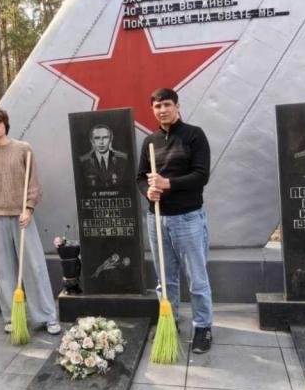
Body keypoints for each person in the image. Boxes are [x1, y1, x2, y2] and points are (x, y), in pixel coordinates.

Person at [136, 87, 214, 354]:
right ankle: (170, 321)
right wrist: (147, 191)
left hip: (188, 218)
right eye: (157, 106)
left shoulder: (194, 135)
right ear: (153, 110)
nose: (163, 110)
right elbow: (140, 177)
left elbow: (201, 175)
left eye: (167, 105)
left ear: (177, 106)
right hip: (157, 218)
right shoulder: (150, 141)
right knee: (165, 279)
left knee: (197, 278)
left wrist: (167, 183)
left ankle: (203, 326)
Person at [0, 107, 61, 335]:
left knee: (35, 267)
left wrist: (28, 209)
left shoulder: (23, 149)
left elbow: (34, 184)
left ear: (5, 124)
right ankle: (12, 317)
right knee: (3, 272)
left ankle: (47, 316)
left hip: (22, 216)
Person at [78, 124, 129, 189]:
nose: (101, 142)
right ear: (92, 141)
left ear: (111, 139)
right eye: (97, 138)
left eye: (105, 137)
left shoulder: (123, 159)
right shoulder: (83, 161)